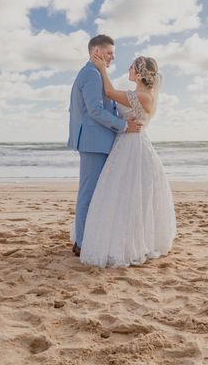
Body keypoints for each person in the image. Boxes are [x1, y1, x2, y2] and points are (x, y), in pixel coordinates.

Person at [79, 54, 177, 268]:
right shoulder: (138, 94)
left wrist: (102, 68)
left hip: (132, 146)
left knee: (128, 194)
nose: (129, 70)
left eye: (132, 67)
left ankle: (128, 244)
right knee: (121, 194)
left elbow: (110, 93)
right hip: (124, 143)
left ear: (140, 73)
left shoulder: (144, 97)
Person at [66, 35, 143, 257]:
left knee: (97, 194)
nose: (112, 57)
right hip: (93, 143)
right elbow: (95, 110)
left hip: (98, 142)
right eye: (109, 53)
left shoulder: (95, 72)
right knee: (88, 195)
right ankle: (81, 244)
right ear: (96, 52)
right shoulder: (91, 73)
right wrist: (123, 126)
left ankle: (89, 239)